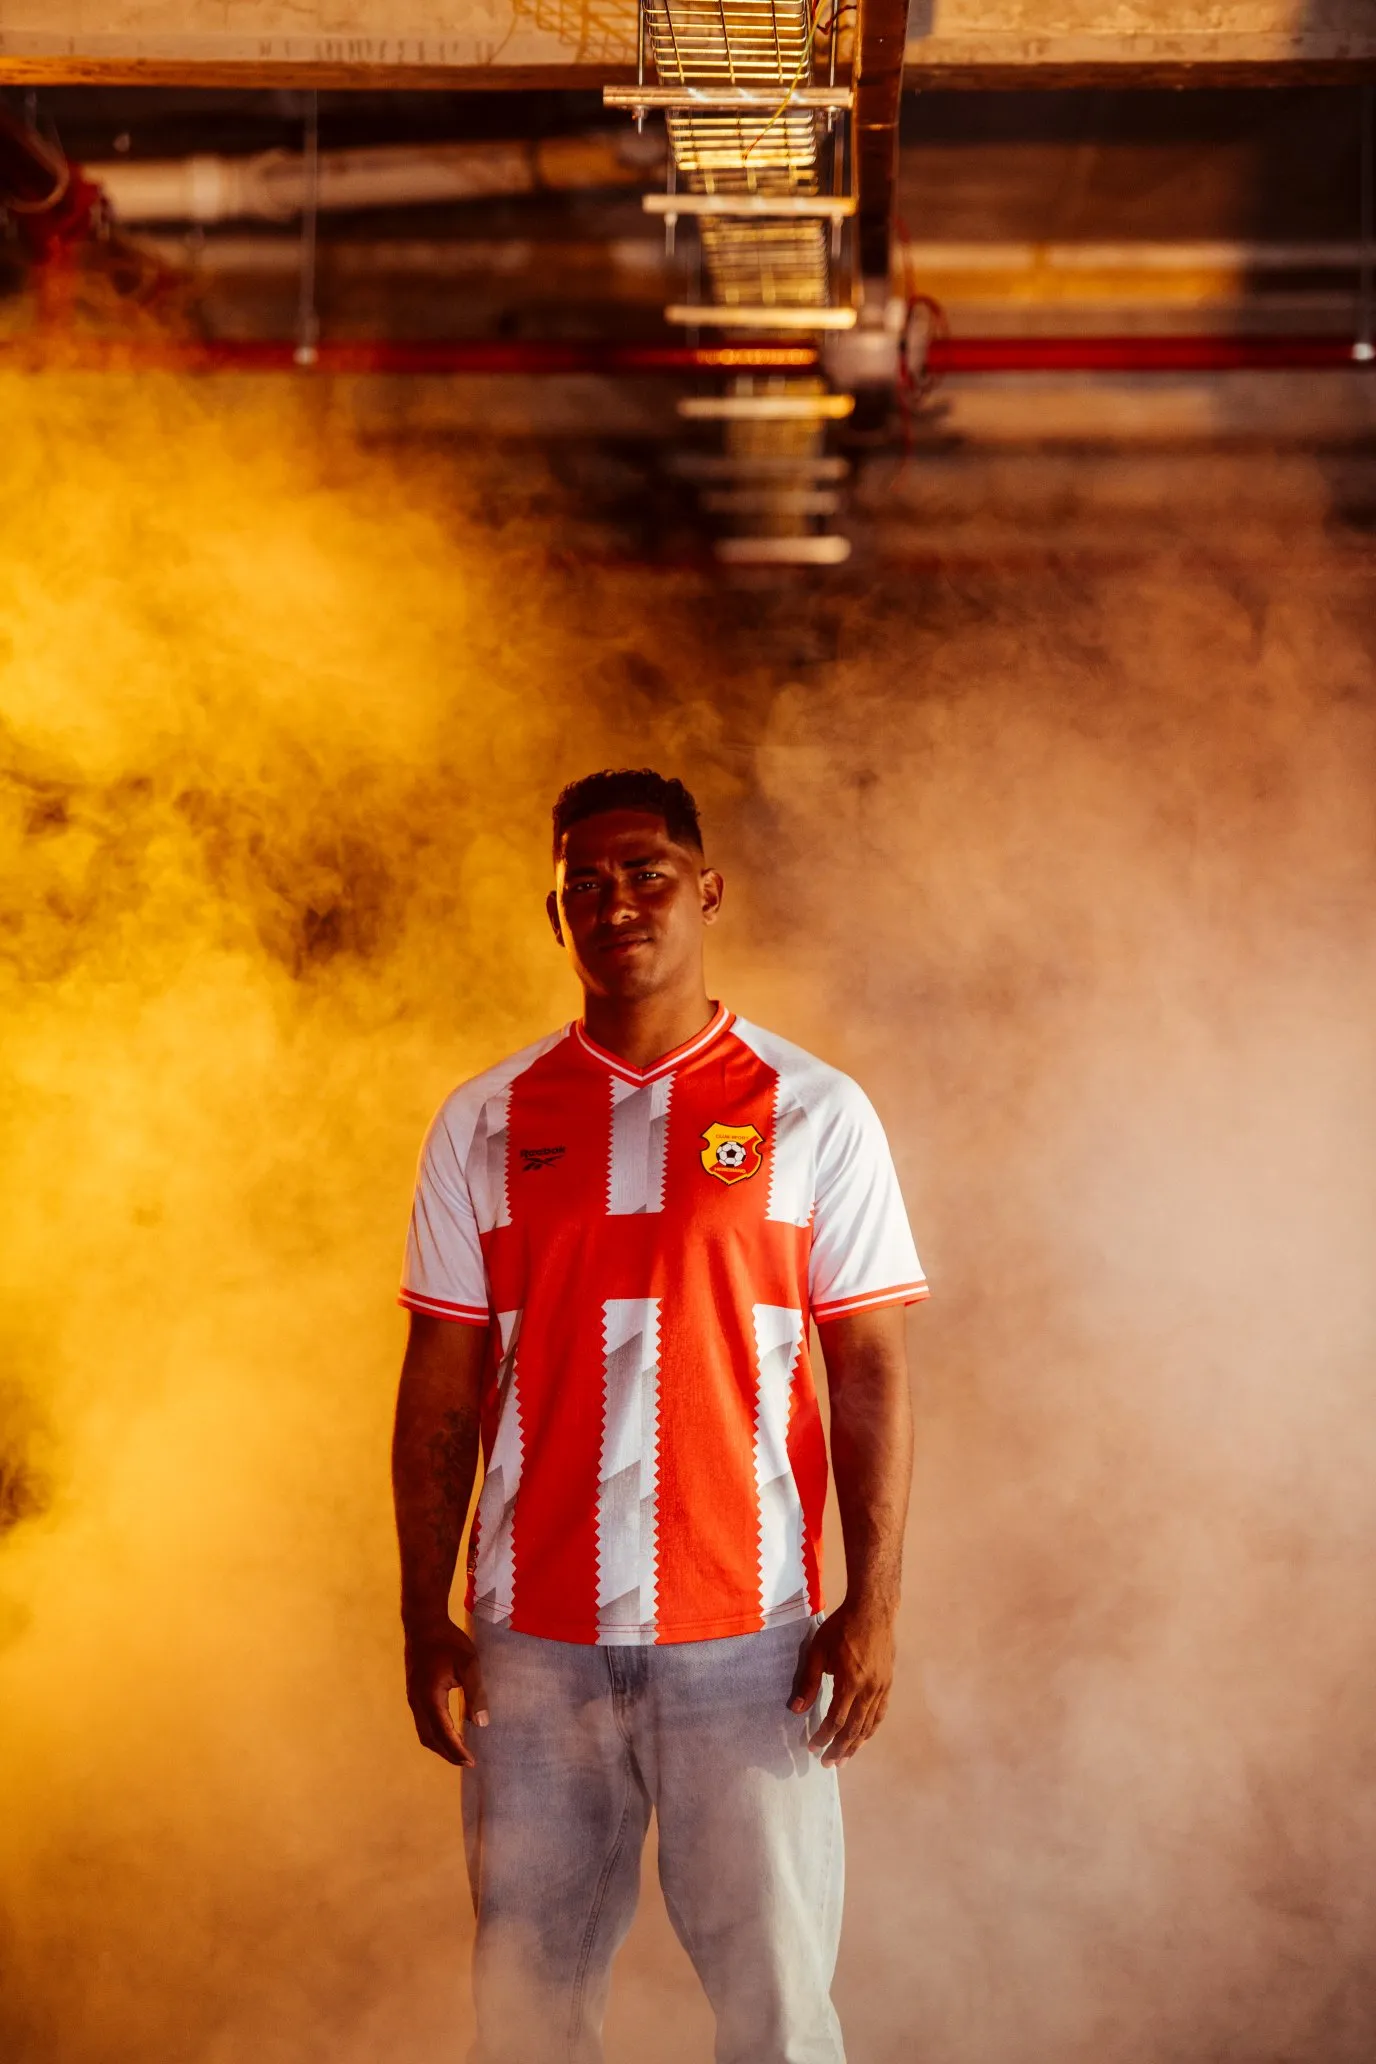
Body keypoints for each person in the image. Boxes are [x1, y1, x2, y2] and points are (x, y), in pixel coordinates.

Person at [392, 767, 927, 2064]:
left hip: (748, 1645)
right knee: (526, 2022)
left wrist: (873, 1604)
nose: (616, 902)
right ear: (554, 912)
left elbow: (868, 1371)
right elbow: (440, 1384)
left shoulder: (814, 1109)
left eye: (648, 874)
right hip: (533, 1647)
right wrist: (422, 1612)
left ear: (708, 892)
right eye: (585, 882)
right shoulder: (484, 1120)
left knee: (778, 2020)